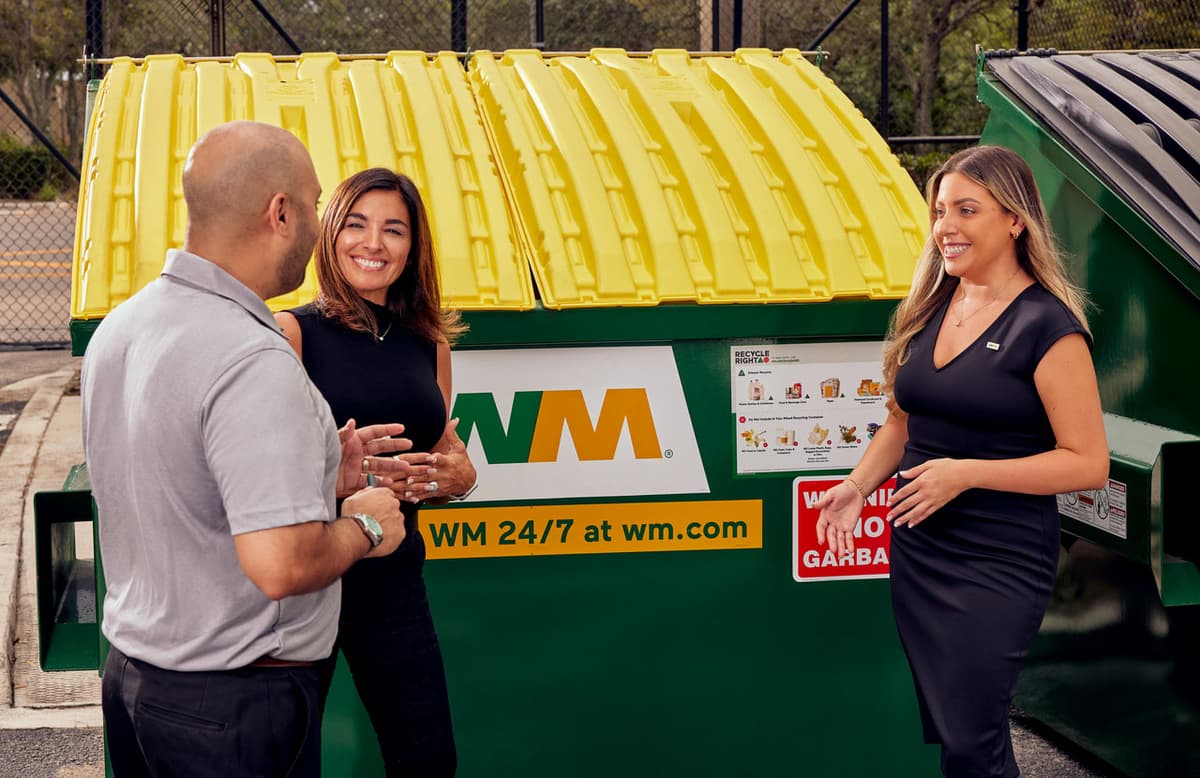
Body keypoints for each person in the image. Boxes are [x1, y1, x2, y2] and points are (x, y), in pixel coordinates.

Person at [81, 121, 416, 777]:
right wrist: (368, 521)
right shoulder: (251, 358)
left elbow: (179, 480)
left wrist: (322, 475)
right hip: (231, 711)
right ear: (281, 212)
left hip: (134, 685)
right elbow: (282, 565)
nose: (322, 224)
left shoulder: (124, 327)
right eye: (317, 204)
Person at [815, 145, 1109, 777]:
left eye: (966, 210)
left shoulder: (1047, 327)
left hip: (999, 558)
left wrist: (967, 471)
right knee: (957, 733)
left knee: (973, 737)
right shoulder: (932, 306)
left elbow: (1087, 464)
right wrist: (858, 485)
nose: (945, 226)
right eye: (940, 210)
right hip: (921, 551)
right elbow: (903, 420)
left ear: (1014, 221)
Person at [275, 167, 477, 777]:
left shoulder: (429, 342)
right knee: (282, 761)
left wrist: (459, 478)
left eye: (394, 229)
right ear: (330, 234)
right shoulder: (292, 332)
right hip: (309, 575)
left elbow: (446, 449)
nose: (374, 243)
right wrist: (335, 468)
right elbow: (259, 467)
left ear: (413, 247)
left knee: (428, 761)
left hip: (393, 579)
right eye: (357, 224)